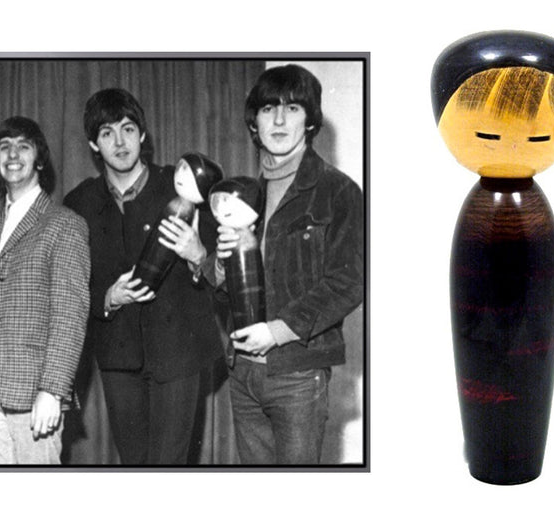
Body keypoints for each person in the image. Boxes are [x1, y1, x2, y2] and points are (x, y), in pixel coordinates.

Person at [204, 64, 363, 464]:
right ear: (253, 121)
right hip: (242, 372)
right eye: (268, 108)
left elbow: (349, 281)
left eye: (292, 109)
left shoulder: (338, 191)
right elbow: (225, 288)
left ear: (309, 121)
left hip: (297, 374)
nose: (278, 119)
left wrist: (277, 332)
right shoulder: (246, 193)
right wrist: (223, 264)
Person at [64, 89, 222, 464]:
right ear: (93, 144)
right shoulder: (78, 203)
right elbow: (68, 287)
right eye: (107, 133)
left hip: (178, 355)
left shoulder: (182, 189)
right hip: (119, 357)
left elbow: (223, 273)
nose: (120, 142)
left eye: (128, 129)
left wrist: (198, 253)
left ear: (143, 135)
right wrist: (107, 297)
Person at [0, 116, 90, 464]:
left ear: (40, 160)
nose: (13, 154)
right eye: (5, 147)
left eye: (23, 146)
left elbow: (70, 314)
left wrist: (53, 388)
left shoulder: (65, 224)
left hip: (32, 381)